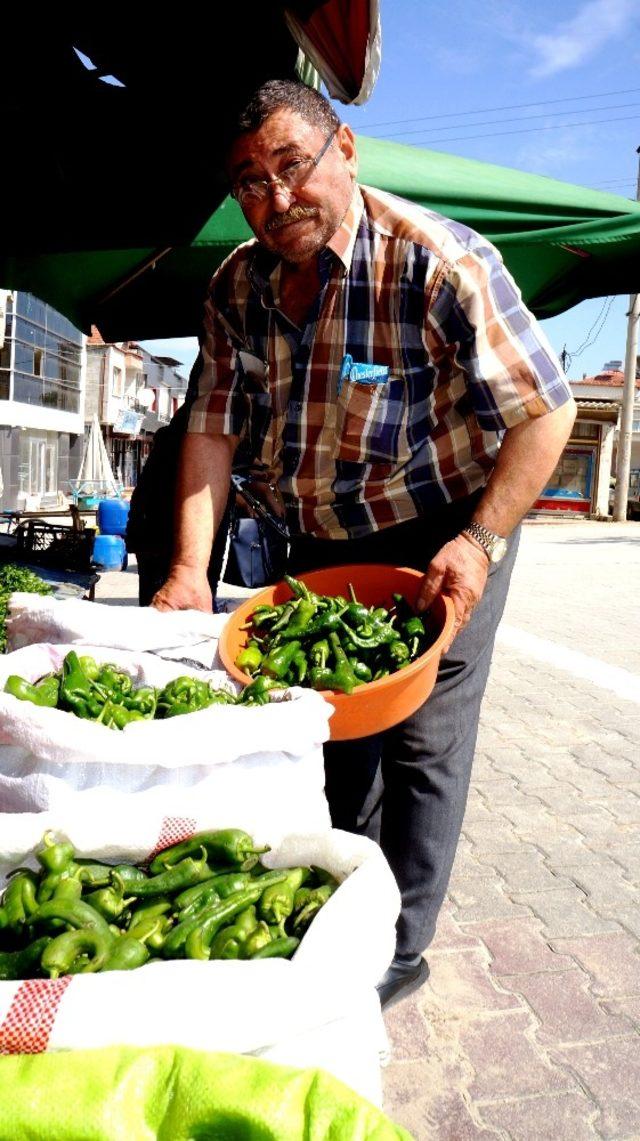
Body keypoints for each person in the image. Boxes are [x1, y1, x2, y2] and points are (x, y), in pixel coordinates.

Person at [152, 80, 576, 1008]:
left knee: (422, 736)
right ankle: (340, 889)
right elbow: (212, 430)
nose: (276, 199)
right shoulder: (236, 286)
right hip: (314, 541)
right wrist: (189, 570)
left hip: (445, 533)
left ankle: (400, 940)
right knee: (328, 725)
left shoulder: (440, 262)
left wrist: (480, 540)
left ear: (344, 149)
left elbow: (546, 412)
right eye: (250, 184)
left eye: (291, 166)